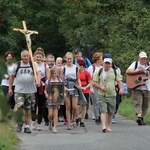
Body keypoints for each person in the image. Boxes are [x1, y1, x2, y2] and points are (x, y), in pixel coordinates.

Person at [8, 50, 41, 134]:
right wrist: (10, 88)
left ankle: (27, 126)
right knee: (19, 106)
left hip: (30, 90)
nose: (26, 58)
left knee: (28, 108)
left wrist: (38, 81)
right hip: (19, 90)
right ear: (21, 57)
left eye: (27, 56)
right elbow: (12, 77)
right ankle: (19, 123)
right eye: (24, 56)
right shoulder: (17, 65)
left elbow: (38, 73)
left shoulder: (33, 64)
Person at [93, 58, 123, 133]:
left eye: (108, 63)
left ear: (111, 64)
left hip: (112, 95)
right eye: (106, 63)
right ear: (103, 64)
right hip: (102, 94)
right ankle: (103, 126)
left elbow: (119, 81)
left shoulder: (114, 72)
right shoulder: (99, 71)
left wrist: (121, 89)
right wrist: (100, 87)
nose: (107, 65)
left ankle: (108, 126)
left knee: (110, 112)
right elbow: (95, 82)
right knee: (103, 111)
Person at [126, 51, 150, 125]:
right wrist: (137, 71)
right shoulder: (135, 64)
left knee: (145, 104)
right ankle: (139, 117)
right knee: (138, 102)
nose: (143, 60)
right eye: (142, 58)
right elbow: (128, 71)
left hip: (147, 87)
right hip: (137, 87)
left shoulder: (148, 65)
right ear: (139, 58)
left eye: (144, 58)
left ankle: (141, 118)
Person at [63, 52, 82, 130]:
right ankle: (69, 122)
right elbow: (62, 79)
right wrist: (64, 87)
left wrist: (80, 84)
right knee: (68, 106)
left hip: (74, 85)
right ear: (65, 59)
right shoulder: (63, 68)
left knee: (74, 106)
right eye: (68, 59)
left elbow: (78, 78)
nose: (69, 60)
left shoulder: (76, 67)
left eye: (70, 59)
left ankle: (74, 119)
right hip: (67, 86)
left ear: (72, 59)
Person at [32, 51, 49, 131]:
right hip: (33, 85)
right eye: (37, 57)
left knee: (41, 105)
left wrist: (46, 87)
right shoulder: (33, 64)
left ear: (42, 57)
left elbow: (47, 77)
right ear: (34, 57)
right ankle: (33, 121)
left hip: (42, 86)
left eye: (40, 57)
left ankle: (39, 123)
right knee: (34, 104)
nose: (38, 58)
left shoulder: (45, 66)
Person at [44, 67, 64, 133]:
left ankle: (54, 126)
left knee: (55, 113)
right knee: (50, 114)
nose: (54, 75)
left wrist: (63, 94)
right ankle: (50, 121)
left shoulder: (59, 81)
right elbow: (45, 90)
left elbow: (62, 90)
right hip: (50, 99)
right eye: (53, 73)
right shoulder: (48, 81)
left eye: (55, 73)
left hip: (57, 99)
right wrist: (46, 94)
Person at [87, 52, 103, 125]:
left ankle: (102, 116)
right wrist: (90, 88)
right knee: (96, 102)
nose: (102, 60)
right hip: (94, 86)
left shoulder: (102, 68)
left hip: (101, 86)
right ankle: (97, 117)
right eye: (101, 59)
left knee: (101, 102)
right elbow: (89, 79)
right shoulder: (91, 68)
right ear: (97, 59)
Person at [76, 59, 92, 127]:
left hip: (85, 90)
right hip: (78, 90)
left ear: (82, 66)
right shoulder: (76, 72)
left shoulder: (86, 73)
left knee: (84, 106)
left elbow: (90, 82)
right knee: (76, 106)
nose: (77, 66)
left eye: (78, 65)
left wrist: (86, 87)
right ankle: (76, 118)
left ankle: (82, 120)